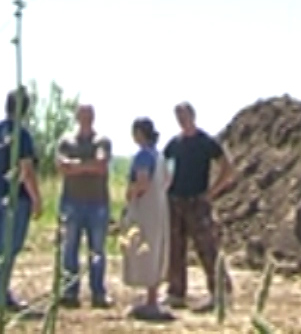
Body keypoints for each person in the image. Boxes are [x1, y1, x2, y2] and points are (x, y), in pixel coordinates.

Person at [163, 101, 236, 311]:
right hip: (175, 200)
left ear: (193, 115)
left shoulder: (206, 142)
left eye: (184, 115)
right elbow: (164, 168)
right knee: (175, 249)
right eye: (178, 115)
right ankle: (176, 292)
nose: (181, 119)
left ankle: (220, 292)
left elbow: (227, 167)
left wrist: (212, 192)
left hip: (197, 200)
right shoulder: (174, 144)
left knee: (207, 247)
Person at [0, 88, 43, 314]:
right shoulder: (23, 135)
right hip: (17, 197)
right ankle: (0, 293)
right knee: (11, 244)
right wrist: (36, 198)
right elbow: (27, 169)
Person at [55, 103, 112, 308]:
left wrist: (76, 166)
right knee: (70, 248)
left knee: (97, 249)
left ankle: (98, 292)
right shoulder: (66, 141)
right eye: (83, 115)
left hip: (97, 203)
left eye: (89, 115)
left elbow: (101, 165)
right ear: (77, 117)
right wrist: (87, 166)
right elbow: (62, 166)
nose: (86, 118)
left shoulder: (102, 141)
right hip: (72, 202)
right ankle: (70, 291)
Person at [119, 116, 175, 322]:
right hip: (159, 207)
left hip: (144, 208)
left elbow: (142, 182)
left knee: (144, 249)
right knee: (156, 248)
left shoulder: (143, 155)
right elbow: (167, 180)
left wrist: (130, 195)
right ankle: (152, 295)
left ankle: (151, 301)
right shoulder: (159, 156)